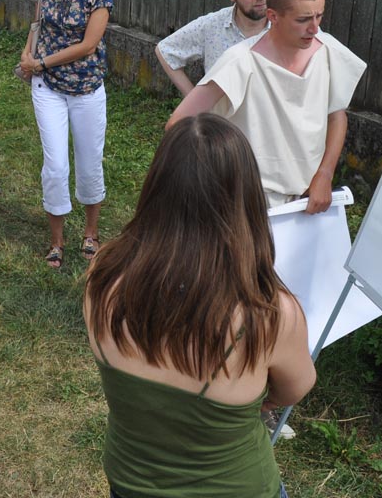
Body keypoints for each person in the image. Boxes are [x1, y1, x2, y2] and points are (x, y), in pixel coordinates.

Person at [84, 113, 316, 498]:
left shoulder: (102, 275)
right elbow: (295, 388)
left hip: (128, 484)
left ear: (157, 188)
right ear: (246, 202)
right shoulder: (270, 313)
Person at [167, 0, 366, 214]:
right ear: (273, 16)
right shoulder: (241, 61)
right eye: (303, 20)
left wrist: (324, 175)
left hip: (307, 199)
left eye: (319, 16)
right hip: (245, 198)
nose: (314, 28)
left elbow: (337, 116)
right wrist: (219, 179)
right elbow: (178, 122)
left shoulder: (328, 52)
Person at [19, 0, 112, 269]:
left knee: (89, 164)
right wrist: (28, 52)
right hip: (48, 87)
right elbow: (37, 21)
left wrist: (40, 61)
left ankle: (90, 233)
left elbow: (89, 45)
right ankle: (57, 240)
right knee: (55, 165)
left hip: (87, 87)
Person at [155, 0, 273, 96]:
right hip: (223, 119)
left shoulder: (288, 26)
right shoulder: (212, 25)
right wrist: (195, 103)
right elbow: (165, 50)